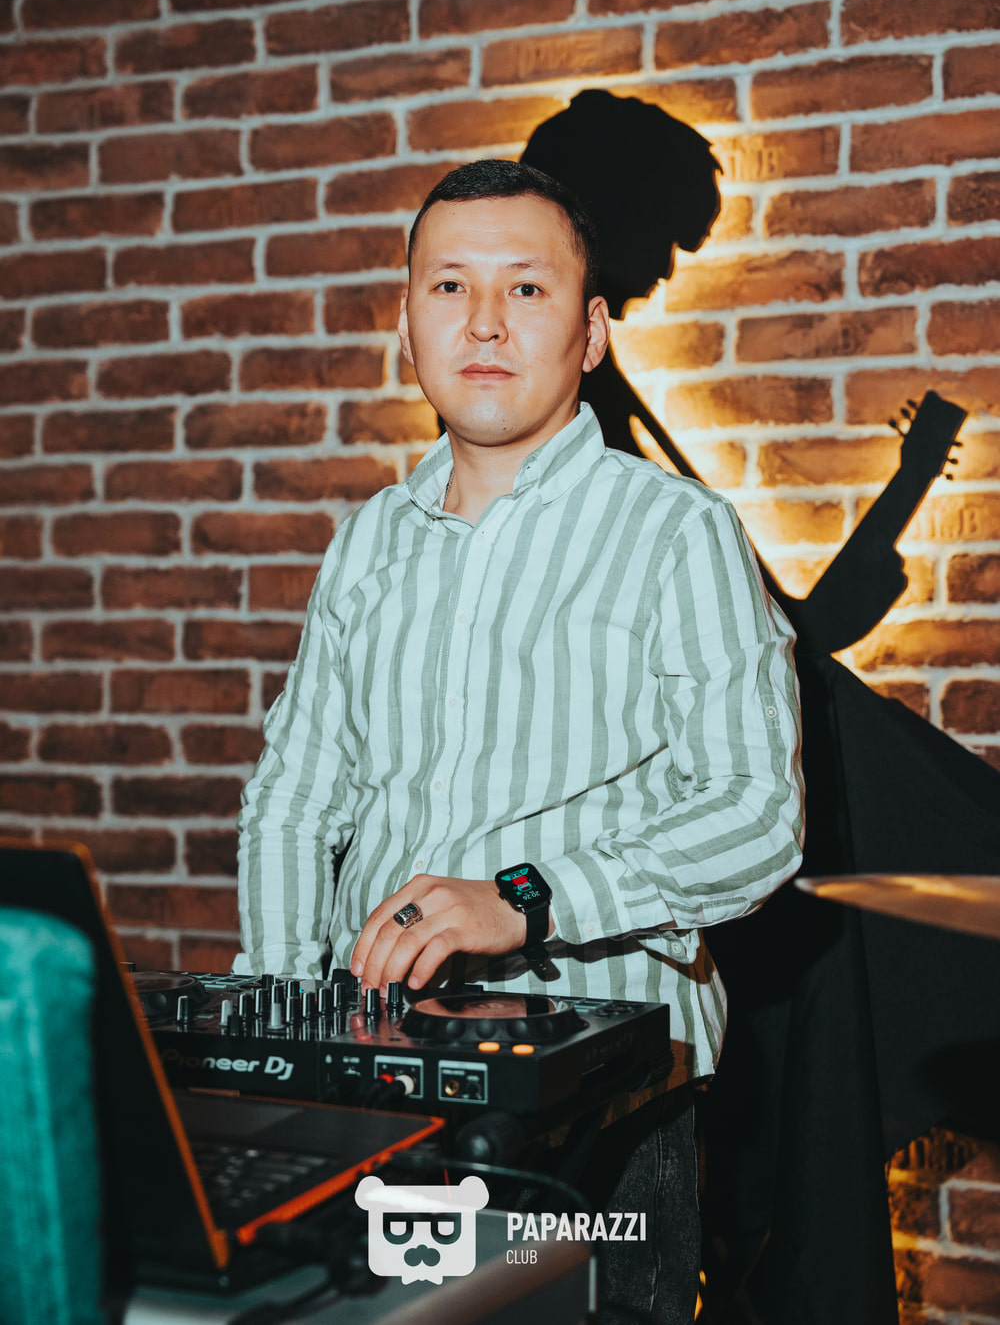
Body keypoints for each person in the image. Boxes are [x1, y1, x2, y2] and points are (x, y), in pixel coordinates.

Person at [234, 158, 804, 1322]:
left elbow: (757, 815)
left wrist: (523, 900)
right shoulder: (366, 541)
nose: (484, 321)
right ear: (407, 325)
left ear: (591, 334)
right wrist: (286, 1029)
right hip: (379, 1094)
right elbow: (293, 798)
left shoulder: (676, 531)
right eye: (448, 286)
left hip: (600, 1109)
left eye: (526, 289)